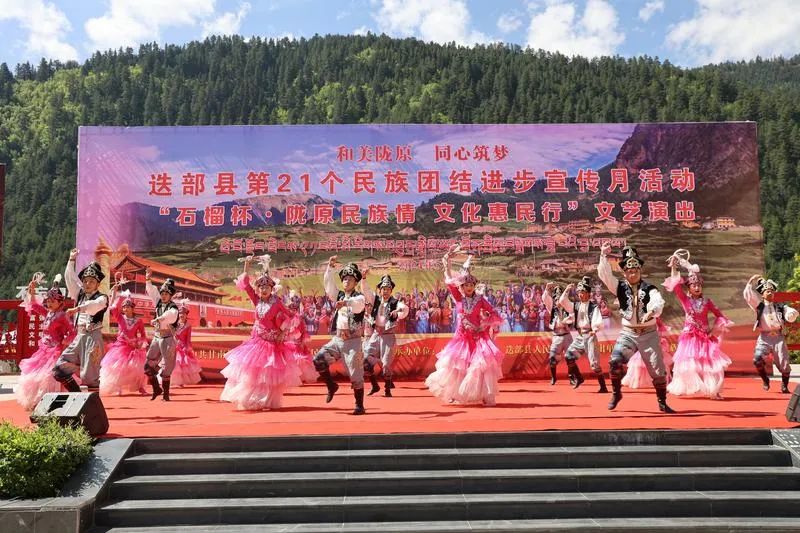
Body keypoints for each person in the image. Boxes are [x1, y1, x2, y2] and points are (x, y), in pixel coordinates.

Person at [597, 243, 674, 413]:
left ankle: (662, 402)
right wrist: (603, 255)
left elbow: (657, 300)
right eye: (629, 271)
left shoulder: (649, 288)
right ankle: (616, 393)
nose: (633, 274)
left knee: (658, 370)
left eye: (635, 271)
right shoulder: (619, 287)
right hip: (628, 333)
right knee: (615, 362)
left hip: (649, 334)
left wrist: (652, 311)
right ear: (624, 272)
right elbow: (605, 275)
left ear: (640, 271)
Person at [425, 247, 503, 406]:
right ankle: (455, 393)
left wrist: (484, 323)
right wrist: (447, 262)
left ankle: (485, 395)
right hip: (461, 338)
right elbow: (449, 279)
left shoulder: (480, 299)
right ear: (462, 286)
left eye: (471, 284)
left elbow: (494, 313)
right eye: (466, 284)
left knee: (480, 366)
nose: (469, 287)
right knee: (458, 366)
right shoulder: (458, 297)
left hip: (478, 337)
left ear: (474, 285)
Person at [220, 255, 300, 410]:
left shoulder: (277, 302)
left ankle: (265, 400)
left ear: (271, 289)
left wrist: (282, 332)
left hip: (271, 342)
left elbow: (291, 316)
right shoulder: (256, 300)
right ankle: (252, 399)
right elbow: (245, 284)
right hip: (256, 340)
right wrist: (247, 264)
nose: (263, 290)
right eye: (261, 287)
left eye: (266, 287)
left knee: (267, 375)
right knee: (252, 372)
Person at [663, 251, 733, 399]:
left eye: (699, 285)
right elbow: (676, 285)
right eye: (693, 285)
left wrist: (715, 329)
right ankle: (686, 387)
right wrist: (674, 267)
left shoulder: (707, 302)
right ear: (689, 287)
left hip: (705, 337)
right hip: (689, 337)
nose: (696, 288)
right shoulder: (685, 300)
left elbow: (719, 315)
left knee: (710, 364)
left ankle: (713, 390)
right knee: (689, 364)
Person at [313, 257, 368, 415]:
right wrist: (330, 267)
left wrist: (345, 303)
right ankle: (331, 385)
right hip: (337, 340)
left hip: (353, 341)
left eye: (350, 279)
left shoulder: (359, 297)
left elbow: (358, 305)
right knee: (319, 360)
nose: (346, 281)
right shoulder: (339, 295)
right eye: (344, 278)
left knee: (355, 374)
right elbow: (329, 287)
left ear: (355, 282)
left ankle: (359, 405)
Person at [16, 274, 75, 410]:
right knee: (36, 375)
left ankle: (53, 403)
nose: (49, 304)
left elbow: (73, 331)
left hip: (56, 351)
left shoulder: (63, 315)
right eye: (48, 301)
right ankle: (38, 401)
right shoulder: (49, 313)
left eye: (52, 301)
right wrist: (32, 291)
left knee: (49, 377)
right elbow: (34, 306)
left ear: (60, 302)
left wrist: (65, 342)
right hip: (44, 350)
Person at [53, 249, 108, 392]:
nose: (87, 284)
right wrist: (71, 260)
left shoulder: (102, 298)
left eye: (92, 281)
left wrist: (77, 309)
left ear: (97, 284)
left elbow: (93, 307)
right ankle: (77, 390)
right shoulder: (79, 294)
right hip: (79, 337)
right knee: (59, 369)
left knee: (90, 379)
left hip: (93, 338)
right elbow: (70, 279)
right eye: (85, 281)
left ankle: (92, 404)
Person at [744, 275, 799, 393]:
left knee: (784, 363)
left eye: (771, 291)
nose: (770, 293)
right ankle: (765, 380)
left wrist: (791, 314)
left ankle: (784, 385)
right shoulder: (759, 306)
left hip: (778, 338)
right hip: (764, 337)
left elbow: (789, 312)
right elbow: (749, 296)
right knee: (757, 359)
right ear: (762, 294)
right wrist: (750, 282)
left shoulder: (780, 306)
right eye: (767, 291)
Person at [362, 271, 408, 397]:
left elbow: (404, 309)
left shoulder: (395, 302)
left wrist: (397, 312)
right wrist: (364, 278)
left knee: (386, 363)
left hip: (388, 335)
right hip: (376, 334)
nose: (386, 291)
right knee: (366, 360)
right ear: (380, 290)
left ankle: (387, 389)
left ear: (391, 291)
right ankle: (374, 385)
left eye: (388, 289)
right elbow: (366, 291)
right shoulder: (375, 300)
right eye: (383, 289)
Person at [99, 284, 148, 396]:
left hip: (133, 348)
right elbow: (112, 308)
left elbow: (143, 335)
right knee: (118, 368)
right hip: (121, 347)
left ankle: (140, 387)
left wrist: (140, 343)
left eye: (128, 307)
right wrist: (116, 294)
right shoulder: (120, 317)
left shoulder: (138, 321)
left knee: (138, 369)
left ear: (132, 308)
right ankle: (117, 387)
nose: (125, 309)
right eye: (124, 307)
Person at [560, 276, 607, 393]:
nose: (581, 295)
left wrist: (594, 329)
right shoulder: (576, 306)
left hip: (590, 336)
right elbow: (563, 302)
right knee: (569, 356)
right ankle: (579, 377)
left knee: (594, 364)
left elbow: (597, 320)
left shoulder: (593, 307)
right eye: (579, 292)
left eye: (583, 292)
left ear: (588, 294)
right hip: (580, 336)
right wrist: (567, 290)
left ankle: (603, 386)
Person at [143, 269, 179, 401]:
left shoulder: (173, 307)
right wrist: (148, 279)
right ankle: (156, 389)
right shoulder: (158, 302)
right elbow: (152, 291)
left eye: (166, 294)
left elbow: (170, 316)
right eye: (162, 293)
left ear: (170, 295)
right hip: (157, 337)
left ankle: (166, 395)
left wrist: (159, 319)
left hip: (168, 338)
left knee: (167, 367)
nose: (163, 296)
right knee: (148, 366)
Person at [543, 282, 574, 385]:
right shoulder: (552, 309)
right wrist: (547, 289)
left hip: (567, 336)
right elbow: (546, 299)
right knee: (552, 358)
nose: (558, 301)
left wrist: (568, 289)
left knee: (570, 358)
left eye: (559, 298)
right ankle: (553, 377)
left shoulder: (568, 308)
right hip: (556, 336)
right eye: (556, 298)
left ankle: (572, 377)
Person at [171, 299, 203, 387]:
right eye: (180, 314)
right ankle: (174, 381)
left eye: (184, 314)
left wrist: (188, 347)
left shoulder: (188, 325)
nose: (182, 315)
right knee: (175, 363)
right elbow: (171, 335)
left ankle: (181, 381)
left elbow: (188, 339)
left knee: (183, 364)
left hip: (183, 347)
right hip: (174, 346)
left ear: (186, 315)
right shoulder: (174, 324)